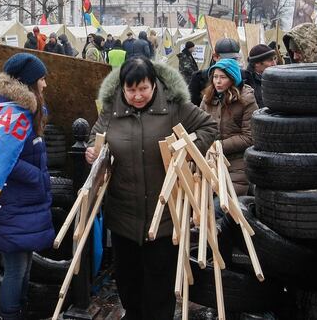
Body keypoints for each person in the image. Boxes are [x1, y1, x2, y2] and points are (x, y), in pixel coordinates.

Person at [86, 57, 218, 320]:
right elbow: (96, 136)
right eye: (131, 90)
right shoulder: (111, 109)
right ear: (122, 88)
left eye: (143, 88)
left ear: (154, 84)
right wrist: (93, 151)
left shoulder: (174, 106)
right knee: (128, 282)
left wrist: (187, 152)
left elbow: (209, 126)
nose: (137, 96)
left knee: (159, 286)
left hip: (164, 214)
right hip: (123, 214)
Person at [0, 53, 54, 320]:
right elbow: (3, 159)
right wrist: (37, 177)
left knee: (24, 266)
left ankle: (19, 311)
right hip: (12, 204)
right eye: (41, 79)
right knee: (16, 268)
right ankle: (10, 315)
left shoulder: (26, 111)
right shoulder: (13, 116)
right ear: (27, 82)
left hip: (22, 202)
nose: (45, 84)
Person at [200, 58, 258, 196]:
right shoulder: (208, 98)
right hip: (210, 163)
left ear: (233, 79)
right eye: (215, 77)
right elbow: (199, 125)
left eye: (223, 77)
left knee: (221, 205)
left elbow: (250, 137)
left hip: (237, 165)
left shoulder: (246, 100)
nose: (218, 81)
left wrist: (218, 145)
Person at [187, 38, 245, 107]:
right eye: (226, 59)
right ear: (215, 57)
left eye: (234, 59)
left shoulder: (244, 76)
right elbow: (192, 108)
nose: (230, 63)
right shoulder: (199, 78)